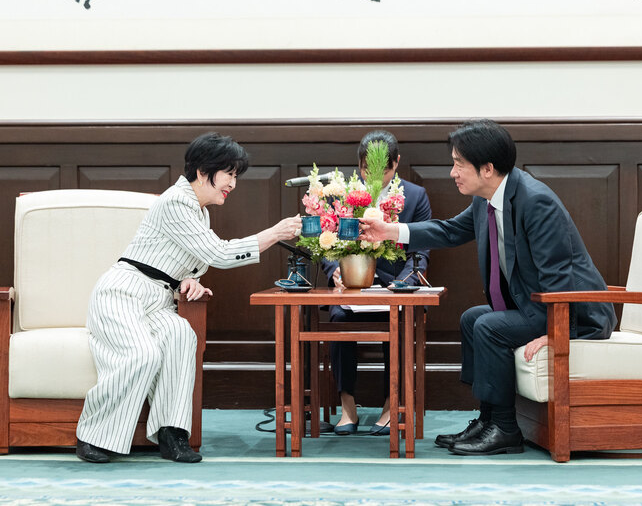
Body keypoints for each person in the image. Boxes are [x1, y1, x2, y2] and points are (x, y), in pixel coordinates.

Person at [359, 120, 616, 455]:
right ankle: (488, 418)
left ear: (488, 168)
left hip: (575, 311)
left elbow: (559, 277)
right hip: (534, 305)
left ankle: (506, 429)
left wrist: (556, 332)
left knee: (490, 325)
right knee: (472, 319)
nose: (453, 172)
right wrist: (389, 231)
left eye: (458, 164)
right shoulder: (488, 198)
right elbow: (450, 231)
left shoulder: (536, 201)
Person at [75, 132, 302, 463]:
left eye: (236, 176)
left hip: (158, 297)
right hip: (123, 292)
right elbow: (220, 254)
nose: (233, 184)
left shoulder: (200, 211)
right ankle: (92, 435)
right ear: (202, 170)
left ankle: (172, 433)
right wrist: (275, 233)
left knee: (182, 335)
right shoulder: (176, 201)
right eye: (230, 174)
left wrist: (192, 280)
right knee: (142, 355)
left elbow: (184, 259)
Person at [321, 130, 432, 436]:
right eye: (368, 169)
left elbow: (419, 253)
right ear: (358, 165)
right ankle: (347, 406)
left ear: (396, 164)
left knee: (396, 319)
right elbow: (326, 244)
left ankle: (390, 405)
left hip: (392, 289)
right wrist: (334, 272)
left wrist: (399, 286)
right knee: (338, 318)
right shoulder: (342, 195)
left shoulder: (415, 197)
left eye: (385, 170)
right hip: (352, 287)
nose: (377, 176)